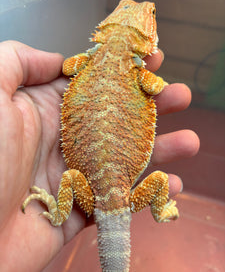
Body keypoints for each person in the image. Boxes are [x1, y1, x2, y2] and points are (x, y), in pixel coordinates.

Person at [0, 40, 199, 271]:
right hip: (122, 197)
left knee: (72, 177)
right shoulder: (139, 73)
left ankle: (58, 213)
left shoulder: (86, 61)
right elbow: (155, 87)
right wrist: (160, 80)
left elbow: (67, 67)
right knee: (161, 181)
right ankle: (161, 212)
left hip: (97, 193)